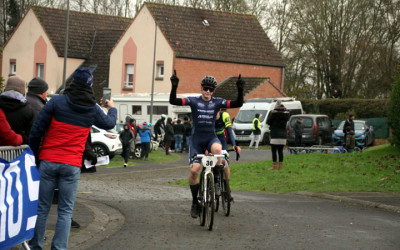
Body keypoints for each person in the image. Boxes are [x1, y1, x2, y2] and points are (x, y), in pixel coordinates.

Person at [28, 67, 117, 250]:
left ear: (73, 82)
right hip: (71, 164)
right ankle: (59, 248)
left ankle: (35, 246)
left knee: (42, 208)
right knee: (65, 211)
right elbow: (109, 123)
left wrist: (36, 158)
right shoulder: (92, 108)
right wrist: (112, 108)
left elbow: (36, 130)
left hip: (49, 160)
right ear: (90, 85)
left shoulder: (56, 102)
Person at [169, 70, 244, 218]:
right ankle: (195, 203)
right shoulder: (194, 101)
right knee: (194, 171)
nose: (208, 91)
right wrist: (174, 86)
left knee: (218, 151)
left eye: (211, 89)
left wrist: (240, 89)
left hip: (211, 138)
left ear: (214, 90)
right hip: (197, 140)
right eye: (205, 88)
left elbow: (238, 103)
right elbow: (173, 101)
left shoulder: (218, 102)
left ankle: (216, 182)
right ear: (201, 88)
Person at [0, 75, 36, 143]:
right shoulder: (29, 111)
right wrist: (23, 138)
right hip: (19, 150)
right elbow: (31, 136)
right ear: (23, 91)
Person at [215, 108, 241, 199]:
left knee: (225, 162)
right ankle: (214, 182)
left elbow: (229, 131)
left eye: (216, 112)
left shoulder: (225, 115)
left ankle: (226, 189)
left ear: (219, 110)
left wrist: (234, 145)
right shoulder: (208, 116)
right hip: (210, 138)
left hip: (221, 139)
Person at [267, 101, 290, 171]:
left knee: (274, 151)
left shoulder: (273, 114)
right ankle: (280, 167)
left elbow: (268, 122)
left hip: (275, 134)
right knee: (280, 151)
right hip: (283, 135)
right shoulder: (286, 114)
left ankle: (274, 166)